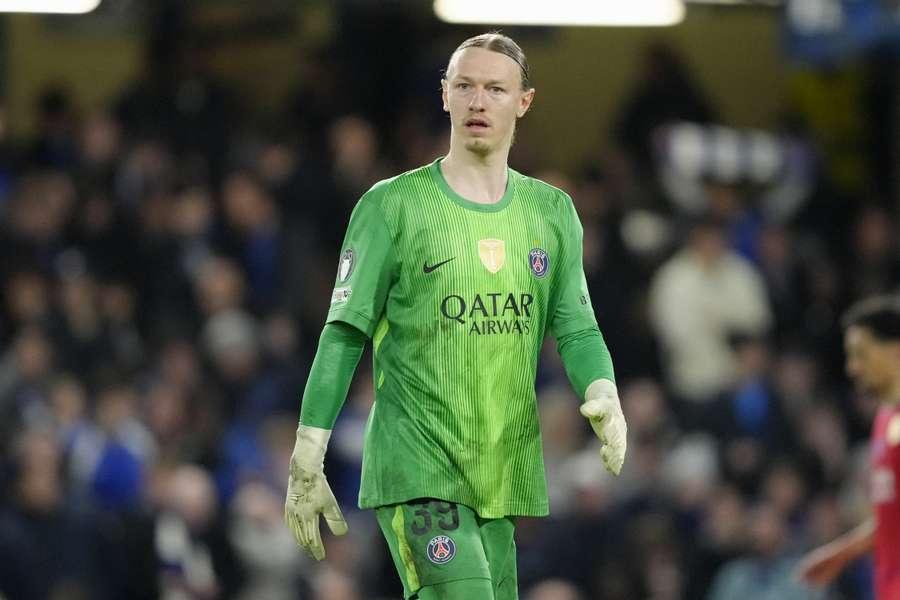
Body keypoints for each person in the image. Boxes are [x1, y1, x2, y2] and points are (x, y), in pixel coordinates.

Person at [283, 32, 627, 600]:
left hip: (503, 470)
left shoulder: (552, 212)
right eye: (464, 86)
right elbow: (344, 332)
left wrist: (603, 389)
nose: (477, 102)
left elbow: (576, 324)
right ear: (444, 95)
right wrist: (308, 447)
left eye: (495, 89)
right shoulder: (392, 206)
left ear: (524, 102)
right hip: (418, 466)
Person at [797, 295, 900, 599]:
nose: (853, 368)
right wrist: (843, 553)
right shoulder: (884, 419)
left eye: (862, 354)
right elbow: (891, 520)